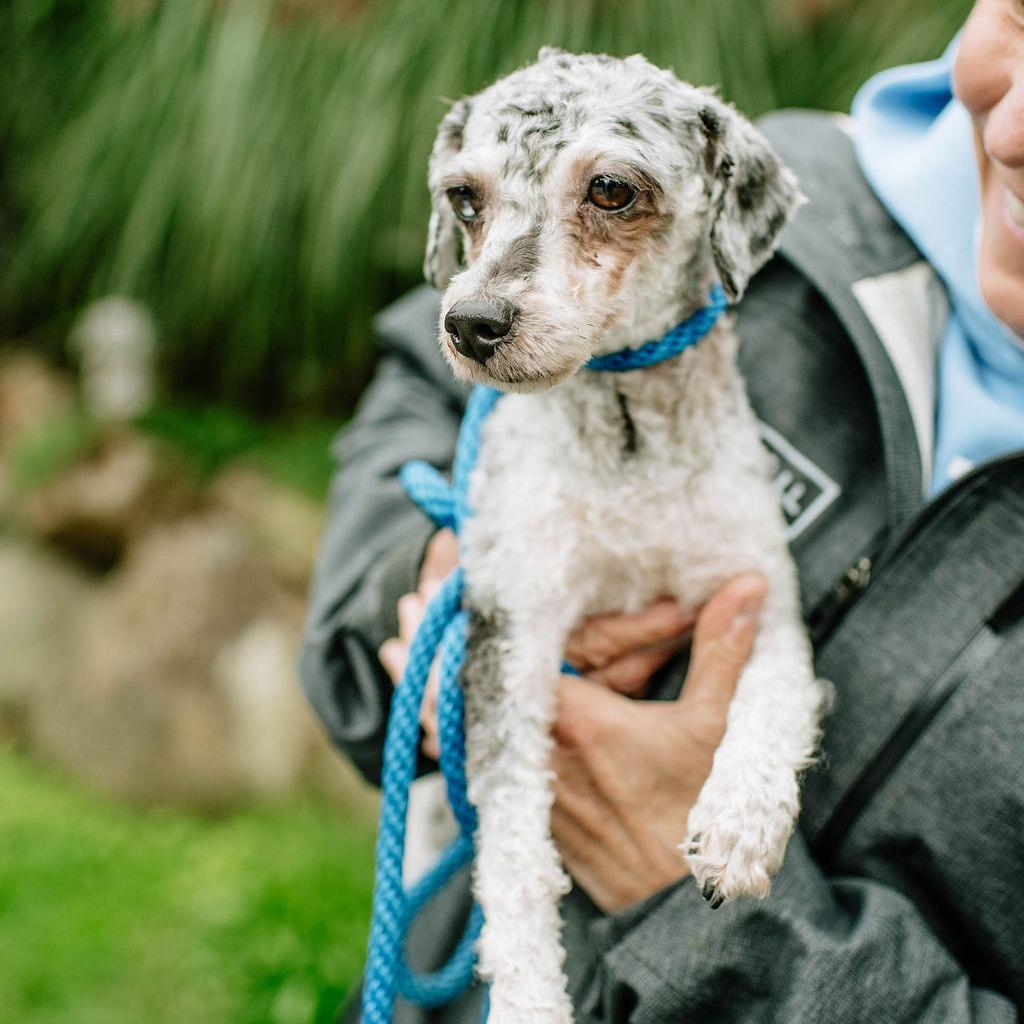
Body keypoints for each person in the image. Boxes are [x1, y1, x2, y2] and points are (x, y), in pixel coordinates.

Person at [300, 3, 1024, 1020]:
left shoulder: (718, 177)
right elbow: (426, 376)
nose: (1013, 129)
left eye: (608, 196)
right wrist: (414, 576)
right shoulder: (801, 177)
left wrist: (710, 923)